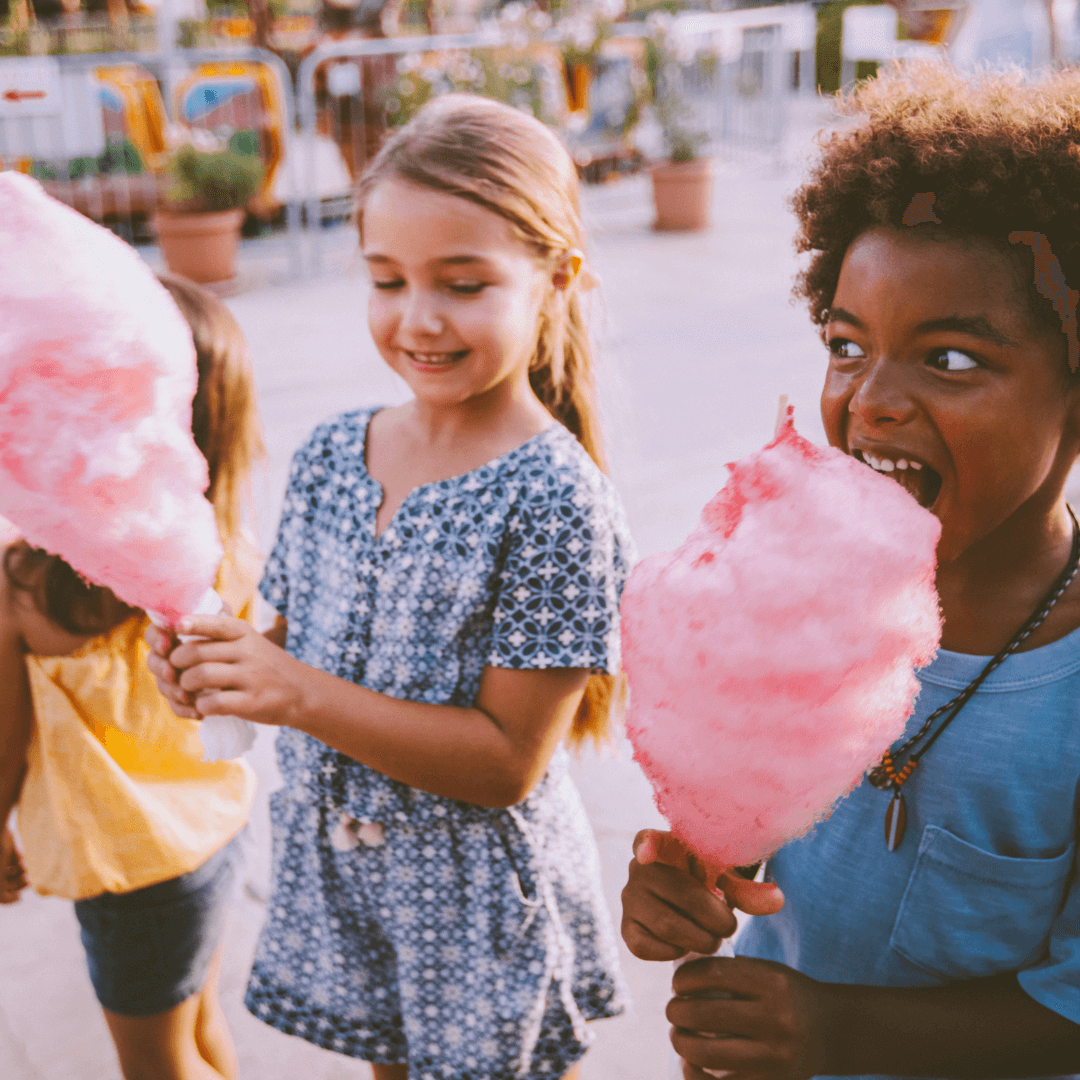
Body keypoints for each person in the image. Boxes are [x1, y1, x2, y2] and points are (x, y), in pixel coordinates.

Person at [146, 95, 632, 1080]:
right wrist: (218, 667)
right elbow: (284, 644)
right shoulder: (333, 452)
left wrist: (295, 695)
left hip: (478, 905)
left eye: (463, 284)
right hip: (354, 881)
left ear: (557, 279)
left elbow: (505, 763)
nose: (418, 319)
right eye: (385, 279)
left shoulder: (554, 500)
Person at [620, 62, 1080, 1080]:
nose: (869, 399)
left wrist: (839, 1034)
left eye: (950, 358)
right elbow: (741, 830)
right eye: (845, 344)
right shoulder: (783, 594)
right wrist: (690, 870)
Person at [0, 274, 266, 1080]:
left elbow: (6, 747)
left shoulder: (25, 589)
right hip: (215, 832)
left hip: (130, 873)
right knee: (199, 1024)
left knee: (155, 1065)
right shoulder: (231, 551)